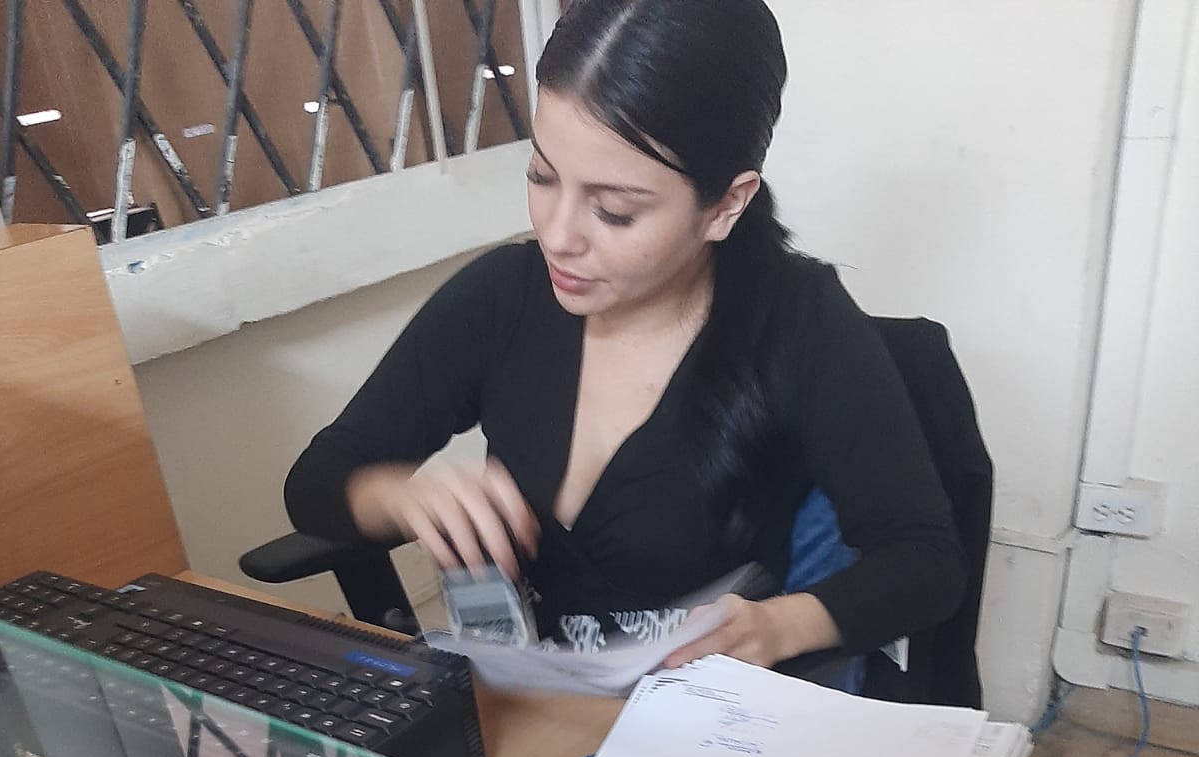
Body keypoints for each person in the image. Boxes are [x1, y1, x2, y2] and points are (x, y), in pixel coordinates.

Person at [284, 0, 965, 674]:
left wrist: (779, 626)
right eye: (542, 177)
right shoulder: (502, 298)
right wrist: (398, 496)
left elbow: (925, 560)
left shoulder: (797, 322)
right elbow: (316, 481)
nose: (558, 236)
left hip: (710, 711)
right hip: (529, 703)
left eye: (613, 211)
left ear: (726, 204)